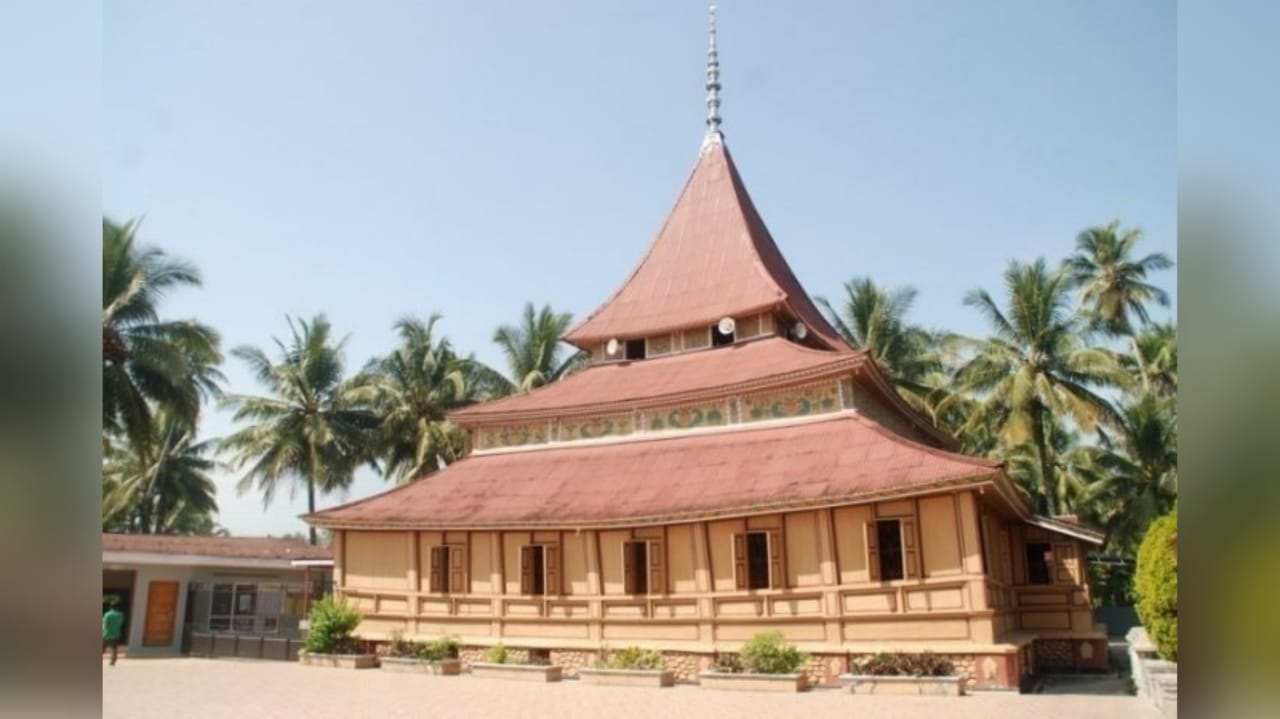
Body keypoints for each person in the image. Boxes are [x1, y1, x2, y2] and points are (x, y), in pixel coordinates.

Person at [102, 597, 125, 666]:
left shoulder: (107, 614)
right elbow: (121, 623)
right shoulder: (120, 615)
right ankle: (112, 662)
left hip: (107, 634)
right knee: (114, 648)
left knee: (102, 647)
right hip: (116, 634)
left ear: (110, 607)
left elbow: (105, 625)